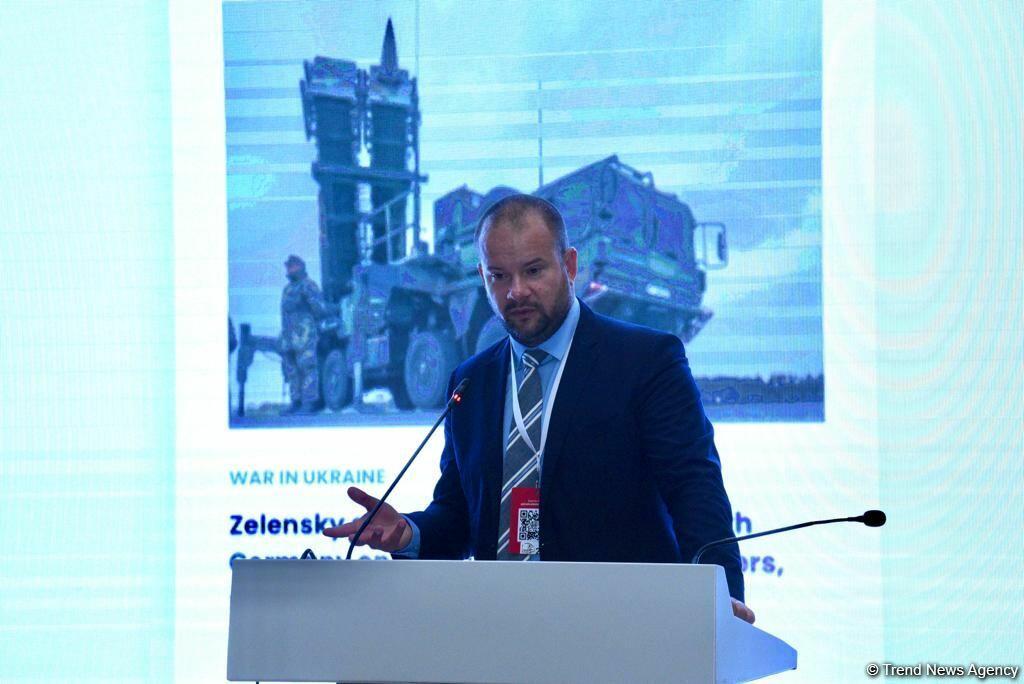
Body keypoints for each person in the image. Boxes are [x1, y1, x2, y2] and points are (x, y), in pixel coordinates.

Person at [324, 195, 754, 623]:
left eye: (533, 271)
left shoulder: (645, 360)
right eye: (499, 276)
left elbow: (694, 488)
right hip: (500, 629)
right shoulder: (470, 382)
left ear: (569, 265)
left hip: (621, 628)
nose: (516, 291)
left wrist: (722, 598)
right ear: (482, 277)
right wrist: (408, 533)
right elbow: (460, 516)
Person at [279, 254, 329, 415]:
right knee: (291, 370)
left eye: (292, 266)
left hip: (305, 336)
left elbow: (319, 309)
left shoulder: (309, 285)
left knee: (307, 368)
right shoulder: (287, 289)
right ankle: (296, 402)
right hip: (289, 337)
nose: (289, 269)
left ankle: (309, 403)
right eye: (288, 266)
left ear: (300, 267)